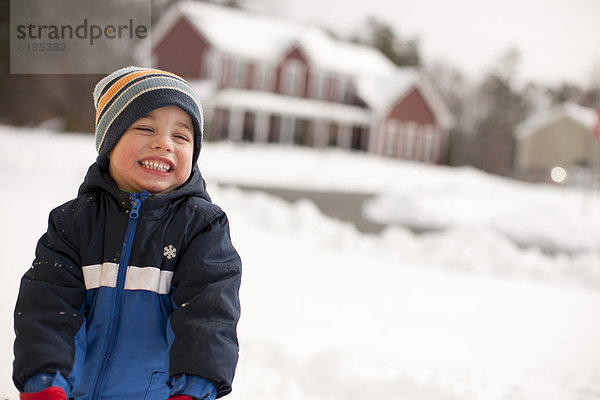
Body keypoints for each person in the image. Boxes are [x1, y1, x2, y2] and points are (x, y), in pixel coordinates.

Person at [12, 66, 242, 400]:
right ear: (109, 143)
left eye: (181, 136)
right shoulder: (73, 223)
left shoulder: (202, 227)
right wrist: (45, 382)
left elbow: (208, 318)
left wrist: (193, 389)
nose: (164, 143)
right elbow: (48, 308)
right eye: (145, 128)